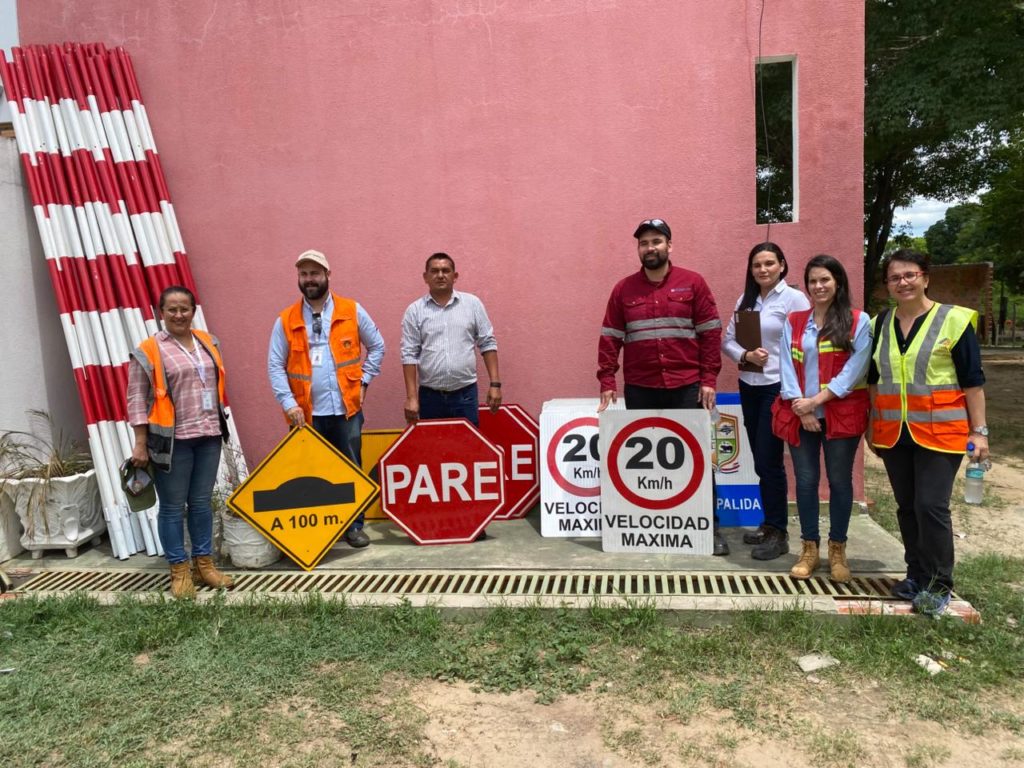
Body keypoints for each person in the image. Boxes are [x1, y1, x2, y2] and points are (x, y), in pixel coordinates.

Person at [597, 218, 728, 555]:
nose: (650, 248)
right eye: (644, 243)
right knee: (645, 463)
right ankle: (653, 523)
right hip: (641, 388)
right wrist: (607, 380)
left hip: (686, 387)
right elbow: (610, 336)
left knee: (696, 459)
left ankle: (708, 527)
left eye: (656, 241)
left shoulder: (693, 283)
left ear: (669, 245)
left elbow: (711, 333)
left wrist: (709, 379)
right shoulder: (623, 289)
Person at [868, 249, 987, 616]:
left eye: (909, 275)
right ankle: (915, 573)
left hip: (942, 432)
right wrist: (873, 424)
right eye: (894, 277)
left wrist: (979, 432)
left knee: (930, 506)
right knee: (906, 507)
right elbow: (874, 380)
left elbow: (973, 382)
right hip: (894, 433)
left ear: (925, 277)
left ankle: (939, 584)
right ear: (887, 285)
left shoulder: (954, 321)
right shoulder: (879, 324)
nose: (902, 282)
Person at [268, 249, 386, 548]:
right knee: (313, 472)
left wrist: (364, 383)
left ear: (327, 275)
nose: (309, 279)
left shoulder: (352, 310)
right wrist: (289, 404)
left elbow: (378, 347)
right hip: (306, 413)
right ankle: (324, 529)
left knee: (350, 467)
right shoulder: (286, 319)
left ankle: (354, 526)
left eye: (315, 273)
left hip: (347, 409)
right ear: (299, 278)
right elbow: (275, 365)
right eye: (304, 274)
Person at [127, 285, 234, 599]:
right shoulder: (149, 350)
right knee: (173, 508)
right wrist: (140, 442)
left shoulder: (208, 342)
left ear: (193, 311)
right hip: (171, 442)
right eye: (171, 309)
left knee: (201, 504)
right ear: (161, 313)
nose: (178, 314)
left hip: (209, 434)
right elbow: (136, 399)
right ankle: (179, 570)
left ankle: (204, 566)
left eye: (184, 308)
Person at [775, 254, 871, 583]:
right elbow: (786, 366)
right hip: (801, 415)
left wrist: (817, 401)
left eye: (825, 280)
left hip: (840, 414)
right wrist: (801, 408)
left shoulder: (859, 321)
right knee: (804, 482)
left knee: (840, 482)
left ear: (838, 282)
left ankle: (838, 549)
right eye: (813, 281)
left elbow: (854, 370)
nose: (818, 286)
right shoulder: (795, 320)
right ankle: (809, 549)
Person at [722, 242, 810, 560]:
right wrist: (745, 355)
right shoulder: (746, 300)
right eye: (757, 264)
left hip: (777, 387)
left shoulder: (794, 299)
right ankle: (768, 523)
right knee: (760, 459)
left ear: (782, 266)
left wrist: (777, 358)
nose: (763, 269)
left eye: (769, 263)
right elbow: (728, 340)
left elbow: (806, 341)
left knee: (770, 460)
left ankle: (779, 532)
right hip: (749, 384)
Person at [401, 252, 501, 425]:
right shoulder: (414, 311)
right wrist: (411, 397)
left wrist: (495, 385)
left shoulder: (472, 304)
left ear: (455, 276)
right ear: (426, 277)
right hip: (430, 397)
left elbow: (487, 343)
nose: (440, 275)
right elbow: (409, 354)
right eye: (434, 271)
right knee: (433, 449)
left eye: (445, 270)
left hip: (465, 395)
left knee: (468, 449)